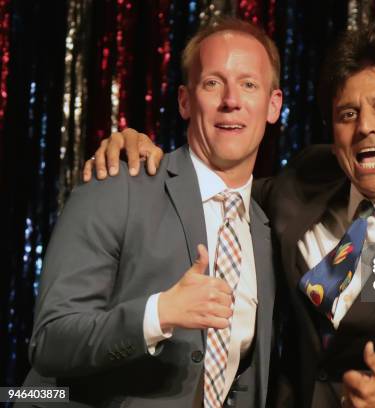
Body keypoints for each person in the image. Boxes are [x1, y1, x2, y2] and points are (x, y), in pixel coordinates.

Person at [86, 28, 375, 407]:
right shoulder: (308, 180)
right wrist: (140, 151)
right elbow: (221, 194)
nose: (366, 126)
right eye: (348, 112)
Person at [23, 18, 282, 408]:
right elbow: (50, 342)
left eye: (249, 84)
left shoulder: (266, 231)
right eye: (213, 83)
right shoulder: (119, 180)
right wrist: (157, 314)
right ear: (184, 100)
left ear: (273, 105)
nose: (231, 100)